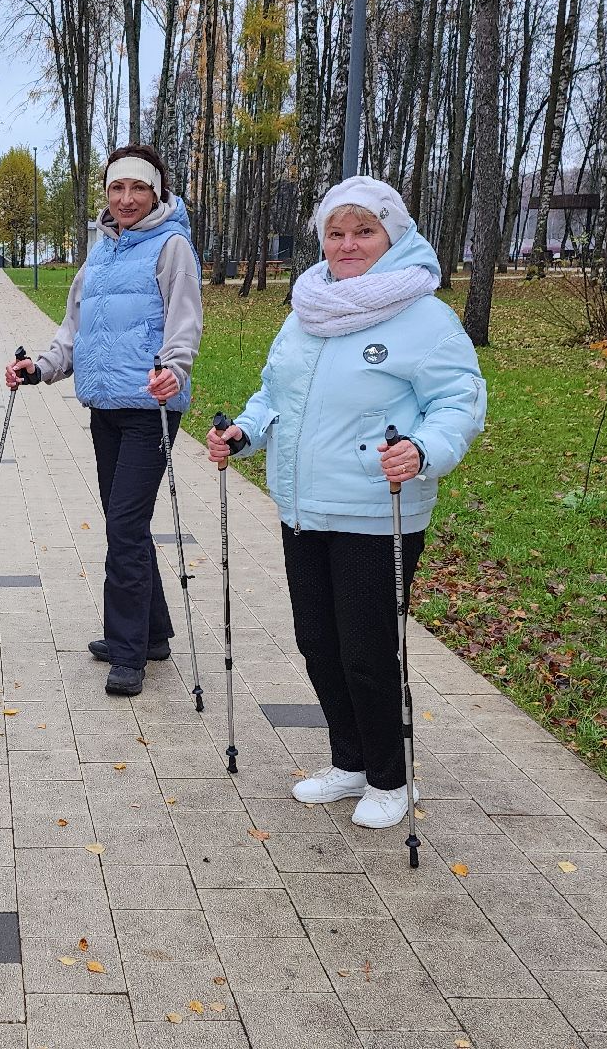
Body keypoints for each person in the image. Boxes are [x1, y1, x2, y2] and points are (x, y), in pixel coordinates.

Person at [207, 176, 486, 828]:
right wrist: (244, 433)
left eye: (364, 230)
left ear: (394, 235)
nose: (348, 243)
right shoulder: (309, 308)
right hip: (303, 508)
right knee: (317, 643)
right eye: (336, 232)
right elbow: (274, 394)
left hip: (375, 508)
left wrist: (422, 448)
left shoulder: (423, 316)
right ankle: (351, 761)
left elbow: (460, 401)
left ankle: (391, 779)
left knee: (366, 650)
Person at [4, 144, 203, 697]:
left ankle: (127, 650)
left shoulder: (172, 246)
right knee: (127, 523)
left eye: (139, 188)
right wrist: (39, 368)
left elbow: (185, 322)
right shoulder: (99, 256)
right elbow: (74, 331)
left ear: (157, 193)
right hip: (106, 407)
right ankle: (153, 632)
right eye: (118, 189)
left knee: (122, 526)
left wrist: (174, 369)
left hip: (151, 408)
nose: (127, 199)